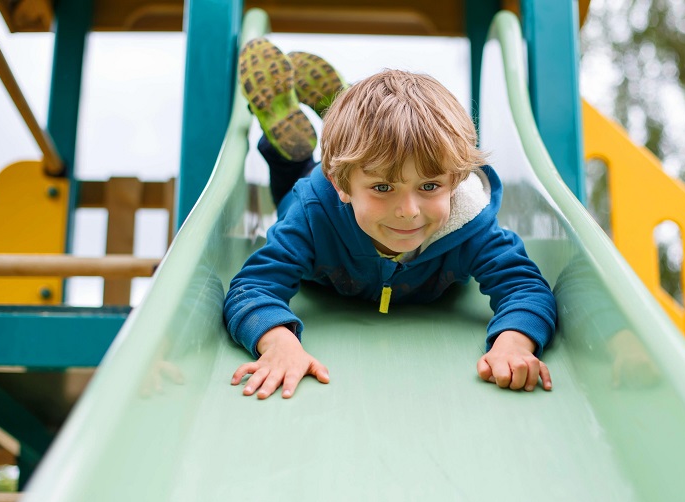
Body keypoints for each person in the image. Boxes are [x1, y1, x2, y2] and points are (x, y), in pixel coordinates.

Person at [224, 37, 557, 399]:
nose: (409, 210)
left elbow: (524, 286)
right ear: (343, 185)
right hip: (316, 194)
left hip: (352, 173)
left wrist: (515, 341)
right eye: (384, 189)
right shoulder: (311, 216)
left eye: (429, 186)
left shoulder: (469, 225)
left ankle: (347, 121)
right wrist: (277, 342)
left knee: (377, 155)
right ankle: (290, 143)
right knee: (295, 182)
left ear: (456, 180)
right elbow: (251, 288)